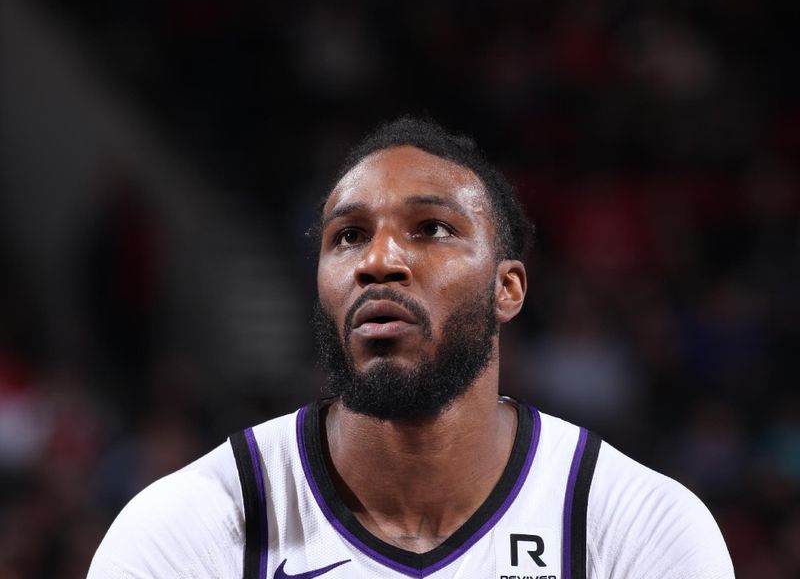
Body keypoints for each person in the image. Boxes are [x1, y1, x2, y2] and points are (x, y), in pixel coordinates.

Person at [89, 117, 734, 578]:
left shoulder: (635, 528)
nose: (379, 261)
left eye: (431, 229)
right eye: (348, 236)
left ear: (507, 289)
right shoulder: (190, 529)